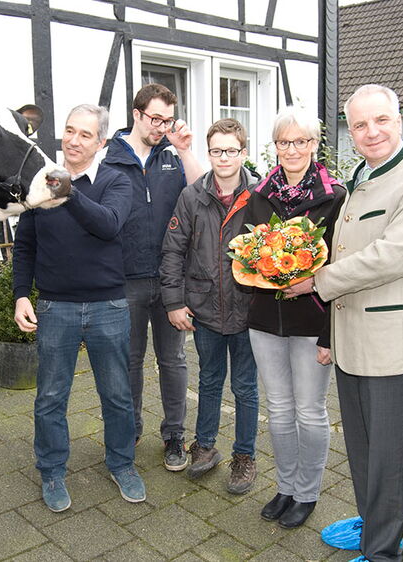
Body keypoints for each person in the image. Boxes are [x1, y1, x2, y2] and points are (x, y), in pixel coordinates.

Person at [284, 84, 403, 561]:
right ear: (350, 132)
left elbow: (394, 256)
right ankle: (373, 522)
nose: (370, 131)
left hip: (393, 341)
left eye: (380, 120)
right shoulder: (361, 173)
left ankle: (384, 551)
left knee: (391, 456)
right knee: (362, 446)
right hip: (353, 336)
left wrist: (317, 281)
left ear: (399, 120)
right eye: (359, 125)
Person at [13, 104, 145, 512]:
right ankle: (52, 471)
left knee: (118, 395)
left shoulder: (117, 181)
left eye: (85, 134)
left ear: (101, 142)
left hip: (108, 306)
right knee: (51, 398)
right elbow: (25, 246)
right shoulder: (40, 183)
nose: (73, 140)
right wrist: (21, 294)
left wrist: (66, 192)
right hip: (56, 308)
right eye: (69, 131)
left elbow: (107, 223)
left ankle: (122, 463)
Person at [246, 106, 346, 528]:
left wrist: (329, 335)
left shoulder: (334, 195)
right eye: (284, 142)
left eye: (301, 141)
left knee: (309, 410)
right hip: (265, 319)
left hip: (312, 319)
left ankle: (307, 493)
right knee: (280, 409)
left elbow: (343, 262)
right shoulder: (259, 193)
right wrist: (262, 266)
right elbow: (247, 250)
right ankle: (285, 487)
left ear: (313, 144)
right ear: (275, 147)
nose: (292, 149)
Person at [101, 83, 203, 471]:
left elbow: (200, 190)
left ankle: (174, 435)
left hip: (170, 278)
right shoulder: (108, 156)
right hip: (123, 278)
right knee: (128, 360)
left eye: (166, 120)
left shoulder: (171, 156)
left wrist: (184, 148)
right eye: (154, 119)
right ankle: (130, 428)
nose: (160, 127)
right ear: (136, 114)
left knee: (173, 359)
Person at [159, 118, 260, 493]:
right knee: (210, 380)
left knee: (246, 386)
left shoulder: (260, 195)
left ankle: (245, 456)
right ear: (209, 152)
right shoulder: (192, 197)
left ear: (243, 152)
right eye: (216, 151)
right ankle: (204, 446)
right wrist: (174, 301)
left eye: (231, 150)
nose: (223, 158)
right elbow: (172, 252)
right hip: (204, 309)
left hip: (249, 310)